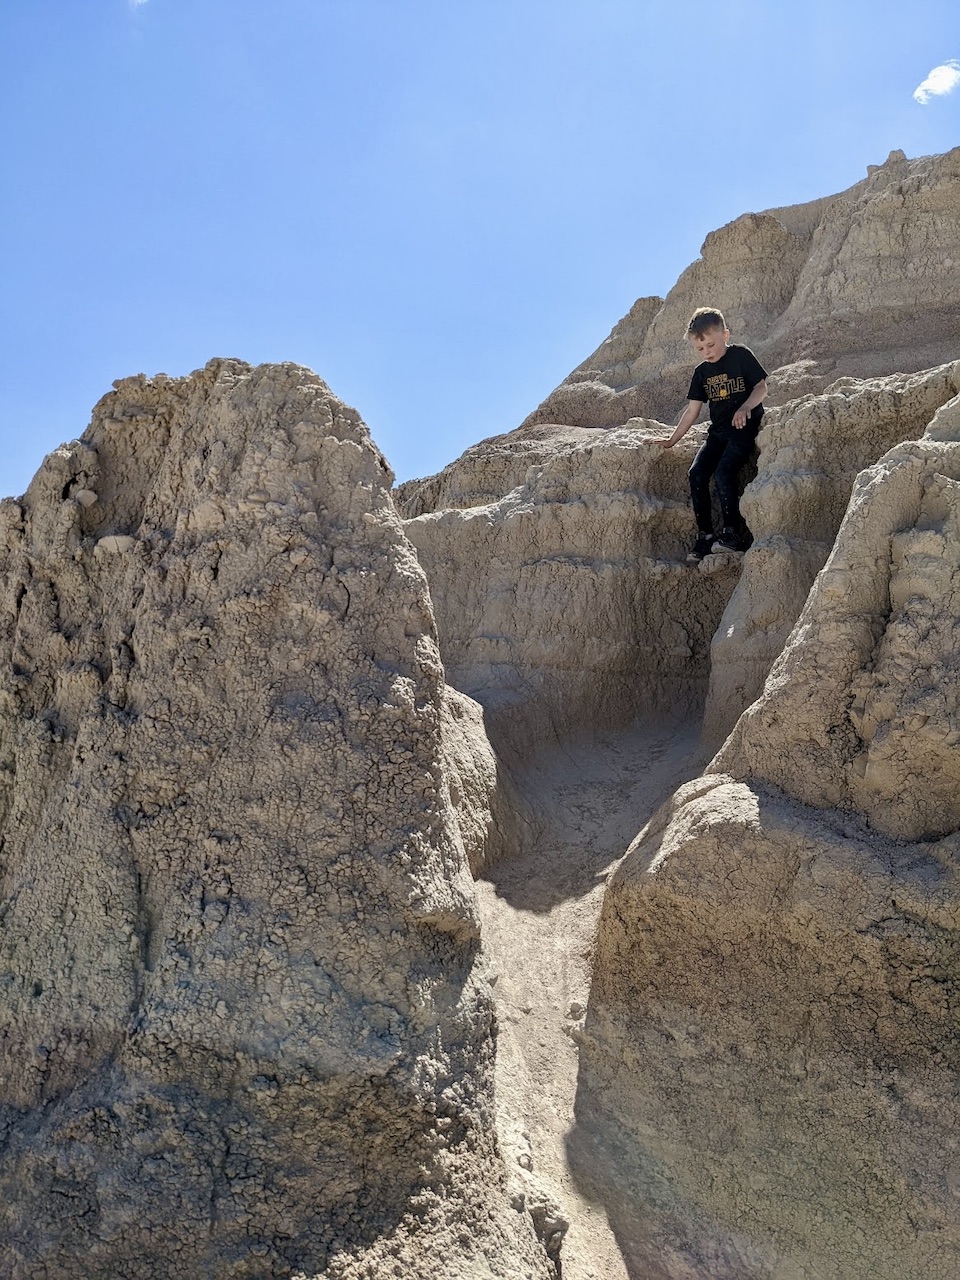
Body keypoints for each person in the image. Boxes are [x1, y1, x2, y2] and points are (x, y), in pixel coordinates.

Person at [659, 306, 768, 561]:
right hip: (718, 433)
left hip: (743, 427)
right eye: (700, 348)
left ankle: (732, 534)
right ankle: (705, 536)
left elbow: (761, 388)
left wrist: (745, 407)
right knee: (696, 473)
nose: (707, 352)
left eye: (711, 345)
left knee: (723, 472)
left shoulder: (741, 356)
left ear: (725, 336)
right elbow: (692, 411)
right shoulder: (701, 373)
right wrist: (671, 440)